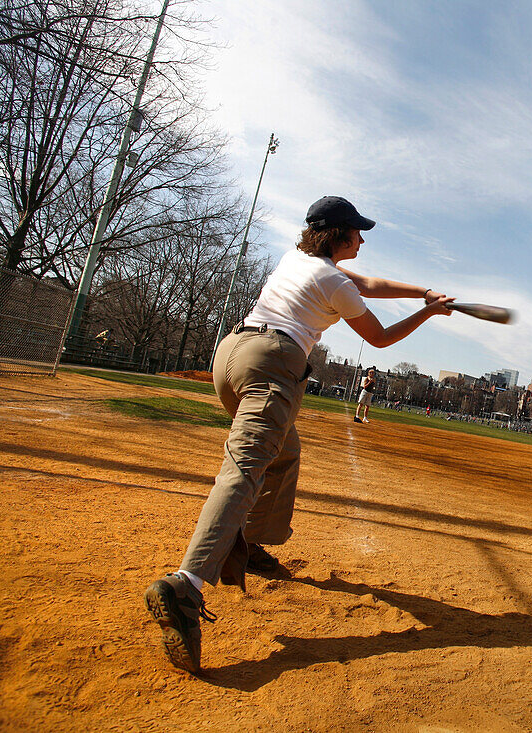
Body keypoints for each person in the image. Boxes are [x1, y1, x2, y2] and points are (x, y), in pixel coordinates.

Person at [144, 195, 454, 674]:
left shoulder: (299, 261)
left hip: (230, 357)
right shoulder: (332, 280)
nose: (363, 239)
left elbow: (368, 283)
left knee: (284, 454)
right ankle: (187, 584)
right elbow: (379, 338)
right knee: (245, 469)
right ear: (339, 235)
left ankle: (251, 545)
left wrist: (423, 292)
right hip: (273, 362)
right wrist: (428, 313)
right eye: (357, 231)